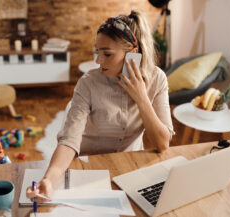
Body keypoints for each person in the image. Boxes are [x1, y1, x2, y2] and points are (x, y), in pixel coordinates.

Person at [27, 9, 174, 201]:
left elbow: (162, 144)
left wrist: (141, 98)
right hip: (88, 167)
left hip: (128, 168)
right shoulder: (88, 83)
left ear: (133, 54)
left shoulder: (157, 80)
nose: (98, 60)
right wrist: (48, 179)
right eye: (98, 51)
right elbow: (69, 141)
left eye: (107, 54)